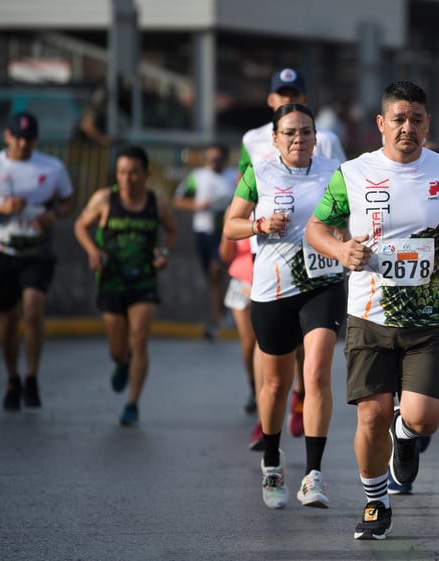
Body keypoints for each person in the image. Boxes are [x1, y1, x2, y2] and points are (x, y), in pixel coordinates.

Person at [306, 80, 439, 539]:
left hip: (429, 316)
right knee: (370, 415)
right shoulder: (354, 174)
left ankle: (406, 435)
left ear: (428, 124)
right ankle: (375, 503)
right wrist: (342, 253)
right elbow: (317, 228)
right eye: (399, 119)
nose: (408, 128)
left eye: (416, 120)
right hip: (369, 315)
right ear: (381, 124)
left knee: (423, 419)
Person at [223, 103, 345, 510]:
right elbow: (230, 224)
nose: (299, 139)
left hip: (323, 284)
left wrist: (345, 232)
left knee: (316, 373)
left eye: (306, 132)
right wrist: (258, 225)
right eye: (290, 132)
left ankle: (313, 475)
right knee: (275, 384)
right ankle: (273, 461)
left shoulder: (335, 173)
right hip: (273, 289)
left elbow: (354, 219)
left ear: (316, 137)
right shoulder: (258, 173)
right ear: (275, 138)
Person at [239, 66, 348, 440]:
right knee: (269, 350)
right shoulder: (253, 143)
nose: (290, 102)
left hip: (322, 267)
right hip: (268, 259)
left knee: (314, 356)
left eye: (296, 95)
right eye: (283, 96)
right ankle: (267, 409)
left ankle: (302, 399)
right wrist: (257, 226)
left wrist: (345, 237)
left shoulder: (329, 145)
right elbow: (240, 205)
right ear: (272, 102)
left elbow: (348, 202)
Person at [73, 145, 178, 426]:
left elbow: (172, 231)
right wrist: (92, 251)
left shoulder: (157, 203)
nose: (127, 179)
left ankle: (133, 403)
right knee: (118, 349)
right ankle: (121, 362)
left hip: (143, 280)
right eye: (121, 173)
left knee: (140, 340)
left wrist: (163, 253)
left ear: (146, 174)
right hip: (111, 280)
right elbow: (80, 226)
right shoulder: (105, 200)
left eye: (133, 173)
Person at [0, 111, 75, 411]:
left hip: (38, 251)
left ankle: (32, 376)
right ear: (7, 136)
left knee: (32, 310)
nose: (23, 144)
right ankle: (12, 378)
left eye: (29, 139)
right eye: (18, 137)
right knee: (8, 318)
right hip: (2, 249)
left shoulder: (51, 167)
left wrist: (54, 215)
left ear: (36, 140)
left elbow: (68, 199)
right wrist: (3, 207)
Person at [173, 144, 234, 340]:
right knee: (212, 276)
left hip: (225, 233)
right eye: (209, 159)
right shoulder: (197, 176)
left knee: (217, 270)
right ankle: (218, 314)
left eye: (216, 159)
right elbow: (178, 200)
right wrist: (197, 205)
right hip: (203, 232)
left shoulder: (235, 176)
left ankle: (219, 315)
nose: (212, 163)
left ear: (224, 159)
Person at [218, 235, 258, 417]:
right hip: (242, 282)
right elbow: (225, 255)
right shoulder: (236, 211)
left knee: (263, 342)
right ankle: (254, 387)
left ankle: (267, 387)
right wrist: (228, 232)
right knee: (248, 342)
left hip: (268, 281)